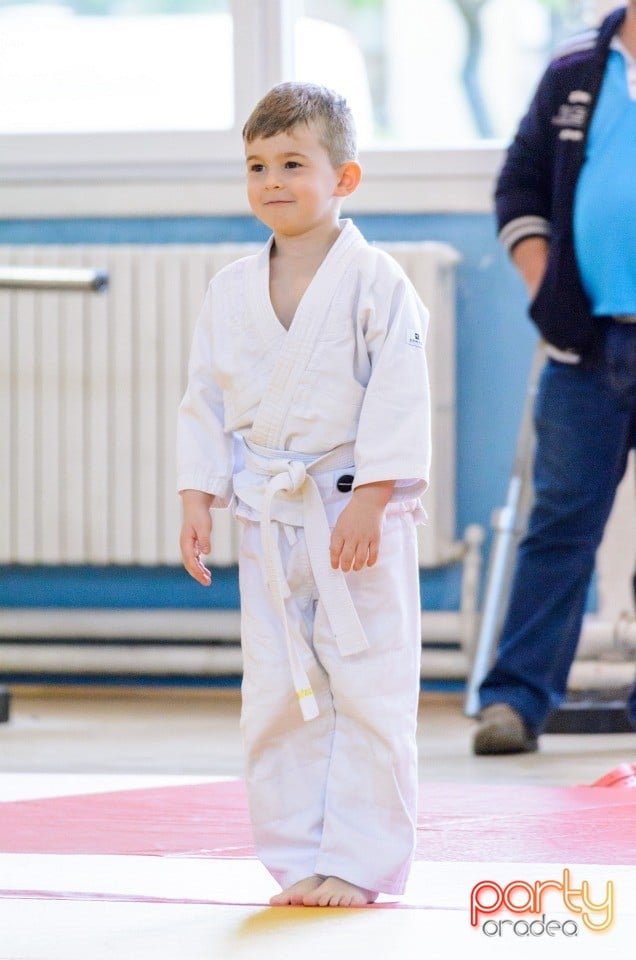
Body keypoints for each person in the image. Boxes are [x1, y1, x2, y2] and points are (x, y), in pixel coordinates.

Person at [177, 82, 431, 905]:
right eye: (257, 165)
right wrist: (197, 497)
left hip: (354, 507)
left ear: (344, 179)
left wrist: (374, 496)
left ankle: (359, 863)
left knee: (368, 684)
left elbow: (400, 391)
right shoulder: (230, 288)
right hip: (268, 511)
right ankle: (298, 856)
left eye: (293, 163)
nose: (272, 181)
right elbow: (204, 400)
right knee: (278, 688)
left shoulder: (377, 280)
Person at [473, 3, 636, 755]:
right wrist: (546, 289)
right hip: (586, 345)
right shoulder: (576, 65)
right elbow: (520, 184)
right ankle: (514, 699)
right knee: (560, 526)